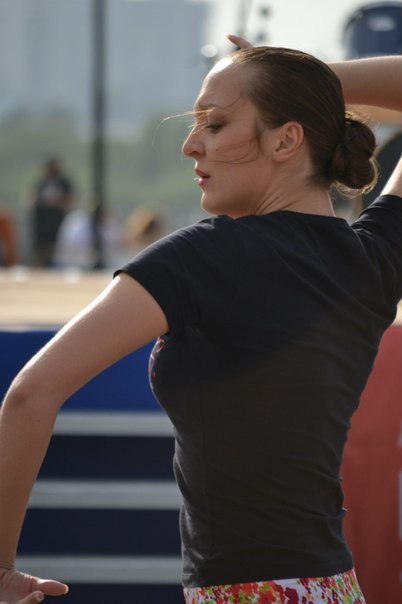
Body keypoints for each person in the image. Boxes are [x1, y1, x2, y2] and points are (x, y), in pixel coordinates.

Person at [1, 34, 402, 603]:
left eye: (214, 124)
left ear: (287, 139)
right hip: (332, 587)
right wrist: (305, 77)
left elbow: (30, 393)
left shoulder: (208, 256)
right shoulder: (373, 260)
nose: (191, 146)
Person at [29, 157, 75, 267]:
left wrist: (55, 203)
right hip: (42, 222)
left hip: (57, 220)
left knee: (56, 250)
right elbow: (31, 200)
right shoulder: (41, 183)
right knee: (40, 250)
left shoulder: (63, 183)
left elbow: (70, 200)